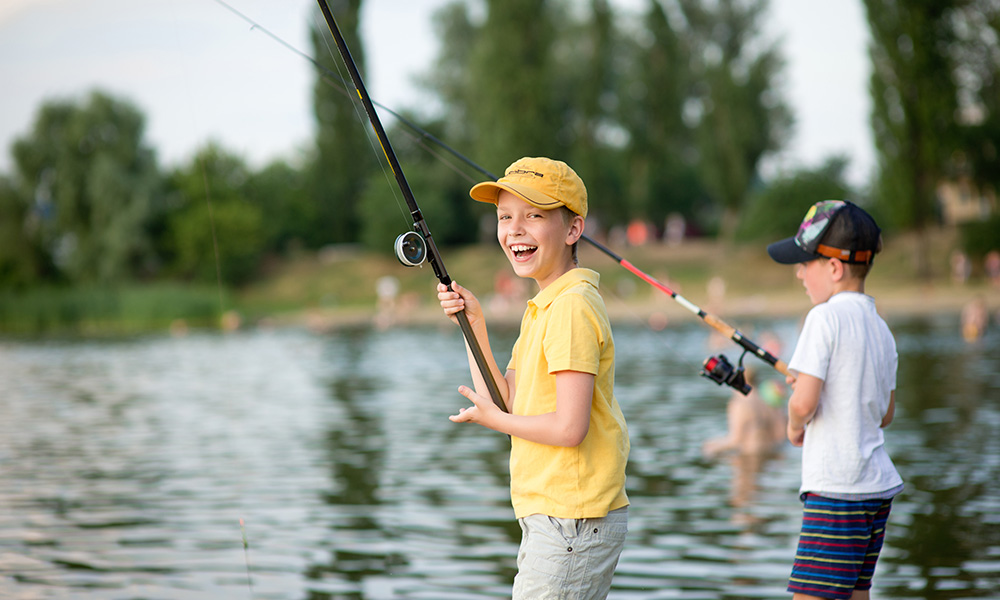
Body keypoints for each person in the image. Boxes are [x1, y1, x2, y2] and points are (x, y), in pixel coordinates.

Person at [437, 157, 630, 600]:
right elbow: (508, 400)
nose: (515, 229)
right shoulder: (546, 305)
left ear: (572, 229)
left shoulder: (571, 308)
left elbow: (568, 427)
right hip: (555, 518)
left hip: (573, 519)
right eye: (505, 217)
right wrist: (474, 325)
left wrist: (493, 421)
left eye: (534, 215)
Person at [767, 200, 903, 600]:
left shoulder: (823, 318)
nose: (798, 273)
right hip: (875, 492)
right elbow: (886, 414)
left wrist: (794, 425)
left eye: (804, 263)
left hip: (837, 492)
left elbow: (804, 404)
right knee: (856, 594)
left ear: (833, 267)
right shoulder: (881, 329)